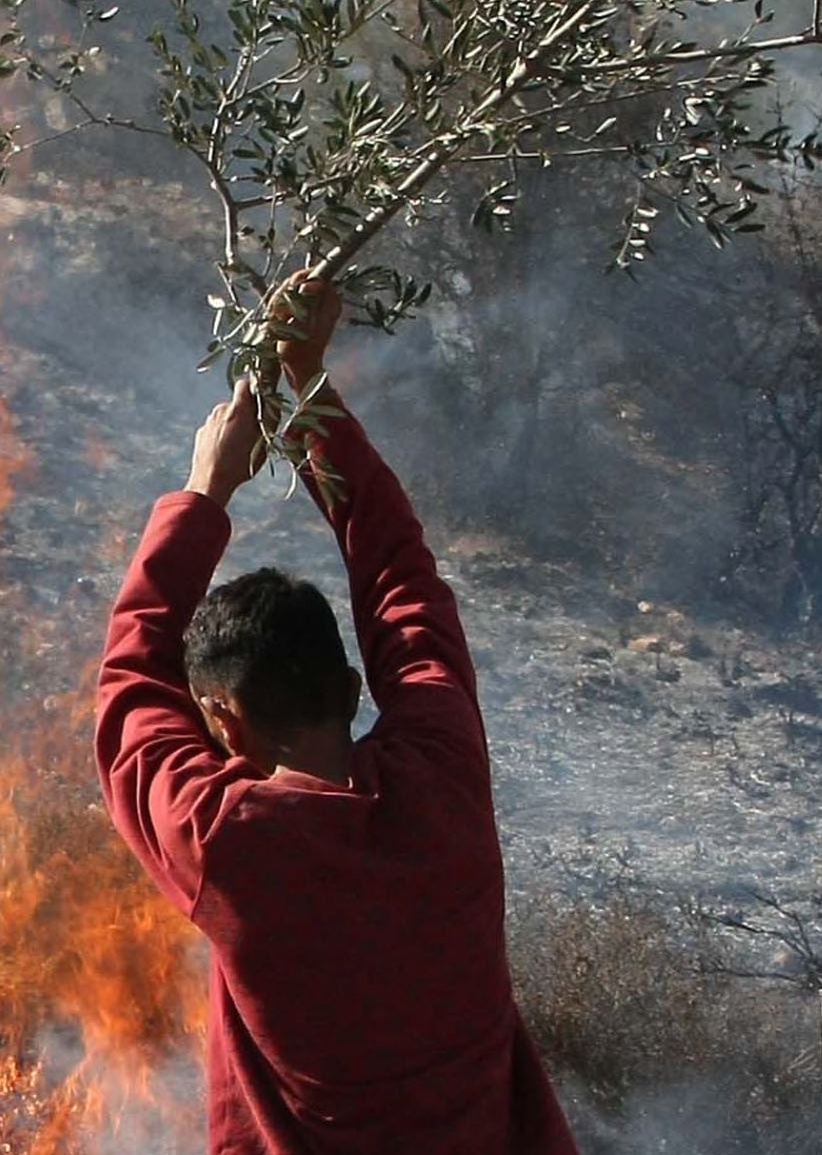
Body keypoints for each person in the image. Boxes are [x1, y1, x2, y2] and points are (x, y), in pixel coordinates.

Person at [95, 273, 578, 1154]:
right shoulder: (444, 777)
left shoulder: (228, 840)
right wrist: (306, 386)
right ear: (353, 690)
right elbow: (400, 579)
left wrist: (207, 489)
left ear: (222, 721)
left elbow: (129, 681)